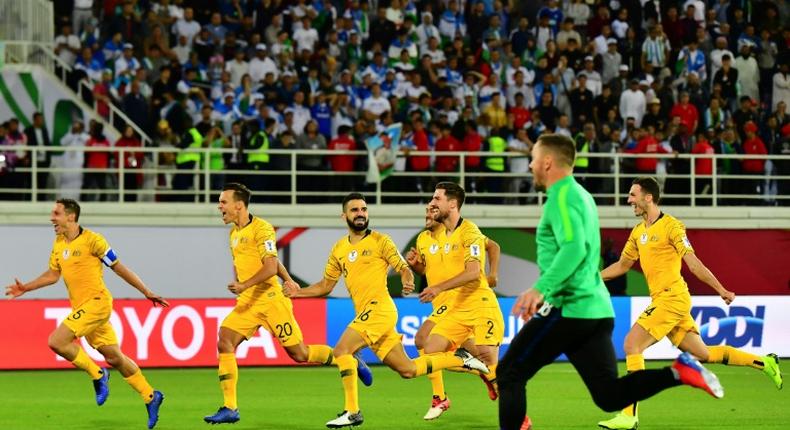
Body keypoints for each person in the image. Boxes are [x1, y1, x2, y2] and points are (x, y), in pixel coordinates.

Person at [498, 134, 727, 430]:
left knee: (509, 374)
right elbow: (587, 256)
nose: (529, 165)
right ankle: (677, 372)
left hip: (570, 308)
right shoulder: (581, 195)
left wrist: (541, 288)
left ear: (547, 162)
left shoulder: (561, 198)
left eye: (532, 158)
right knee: (608, 395)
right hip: (596, 311)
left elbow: (574, 248)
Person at [284, 192, 489, 428]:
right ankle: (460, 359)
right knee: (408, 369)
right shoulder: (339, 249)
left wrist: (406, 279)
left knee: (342, 350)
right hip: (366, 313)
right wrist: (297, 293)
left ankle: (352, 411)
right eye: (355, 210)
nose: (361, 214)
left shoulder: (381, 241)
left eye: (363, 209)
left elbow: (403, 267)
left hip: (379, 309)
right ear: (344, 216)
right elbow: (325, 285)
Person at [597, 176, 783, 430]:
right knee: (702, 353)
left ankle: (629, 415)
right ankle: (765, 362)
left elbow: (693, 263)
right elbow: (623, 265)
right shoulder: (638, 232)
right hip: (666, 300)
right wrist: (593, 277)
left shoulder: (673, 226)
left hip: (672, 298)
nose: (628, 200)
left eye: (632, 195)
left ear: (648, 197)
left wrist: (721, 289)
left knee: (632, 344)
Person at [204, 183, 373, 425]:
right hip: (249, 303)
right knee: (225, 340)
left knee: (300, 353)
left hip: (271, 301)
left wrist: (247, 284)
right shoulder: (234, 234)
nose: (219, 206)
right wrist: (288, 278)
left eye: (223, 202)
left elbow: (270, 265)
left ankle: (348, 359)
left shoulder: (261, 229)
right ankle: (230, 407)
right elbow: (272, 262)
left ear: (238, 205)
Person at [4, 199, 168, 429]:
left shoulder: (94, 240)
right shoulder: (59, 243)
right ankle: (151, 396)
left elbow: (119, 267)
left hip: (98, 303)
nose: (52, 218)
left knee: (57, 341)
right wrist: (26, 288)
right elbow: (53, 275)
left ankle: (98, 374)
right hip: (82, 308)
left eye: (56, 213)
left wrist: (146, 291)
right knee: (115, 358)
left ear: (71, 216)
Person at [405, 205, 503, 420]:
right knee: (484, 362)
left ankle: (440, 396)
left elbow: (492, 246)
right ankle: (480, 374)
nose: (427, 216)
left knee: (423, 340)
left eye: (432, 212)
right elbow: (428, 269)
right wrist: (415, 266)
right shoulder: (423, 239)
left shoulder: (460, 232)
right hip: (444, 303)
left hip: (459, 300)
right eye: (426, 213)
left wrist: (493, 273)